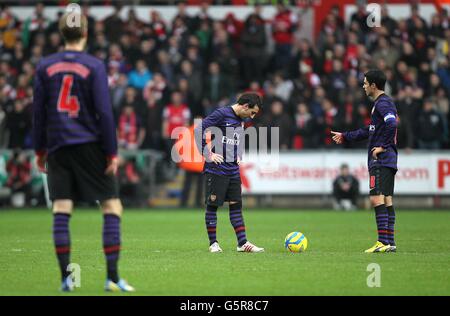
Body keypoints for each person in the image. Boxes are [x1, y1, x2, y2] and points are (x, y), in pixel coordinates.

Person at [32, 12, 134, 292]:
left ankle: (66, 279)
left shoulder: (45, 66)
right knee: (112, 206)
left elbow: (38, 113)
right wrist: (111, 152)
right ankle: (112, 278)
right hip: (90, 144)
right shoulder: (94, 65)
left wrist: (40, 150)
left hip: (58, 146)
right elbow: (104, 111)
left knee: (61, 208)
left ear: (62, 34)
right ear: (86, 33)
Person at [331, 69, 398, 253]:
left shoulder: (383, 103)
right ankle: (390, 242)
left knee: (376, 198)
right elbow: (369, 130)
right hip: (389, 160)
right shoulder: (382, 103)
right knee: (387, 199)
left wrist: (383, 146)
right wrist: (345, 136)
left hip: (381, 160)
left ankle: (382, 242)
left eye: (365, 83)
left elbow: (392, 123)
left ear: (373, 85)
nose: (363, 86)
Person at [195, 93, 264, 253]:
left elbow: (237, 139)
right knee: (212, 206)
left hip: (233, 169)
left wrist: (239, 155)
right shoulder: (221, 114)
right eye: (252, 112)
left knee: (236, 206)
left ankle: (242, 243)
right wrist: (207, 153)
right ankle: (213, 244)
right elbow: (199, 130)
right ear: (245, 106)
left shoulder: (241, 120)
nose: (252, 117)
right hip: (216, 169)